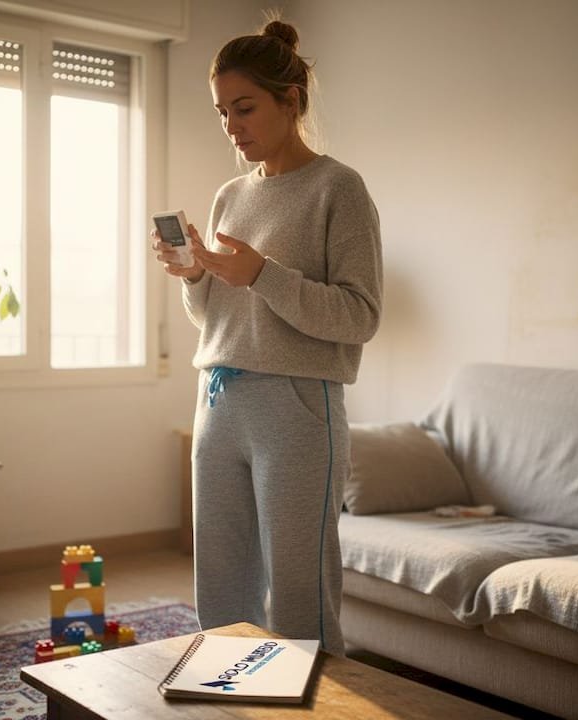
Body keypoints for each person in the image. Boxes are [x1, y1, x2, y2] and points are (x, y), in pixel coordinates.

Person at [152, 19, 382, 653]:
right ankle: (230, 692)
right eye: (222, 112)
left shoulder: (338, 189)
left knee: (300, 592)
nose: (232, 126)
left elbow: (360, 315)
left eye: (244, 107)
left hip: (297, 406)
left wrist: (262, 274)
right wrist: (195, 276)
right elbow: (215, 317)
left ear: (291, 100)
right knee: (221, 585)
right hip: (218, 401)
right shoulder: (230, 196)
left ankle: (317, 695)